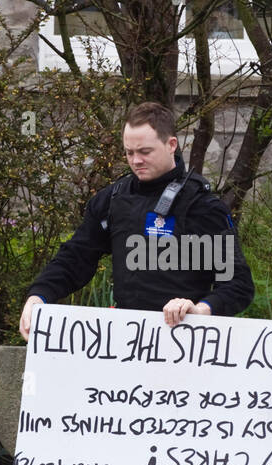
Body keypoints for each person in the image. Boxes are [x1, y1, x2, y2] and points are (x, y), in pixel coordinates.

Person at [19, 102, 254, 339]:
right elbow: (75, 259)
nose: (136, 160)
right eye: (129, 152)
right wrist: (38, 297)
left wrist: (200, 310)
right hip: (126, 345)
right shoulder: (112, 199)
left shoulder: (203, 207)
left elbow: (238, 285)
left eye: (145, 152)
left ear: (171, 144)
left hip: (185, 345)